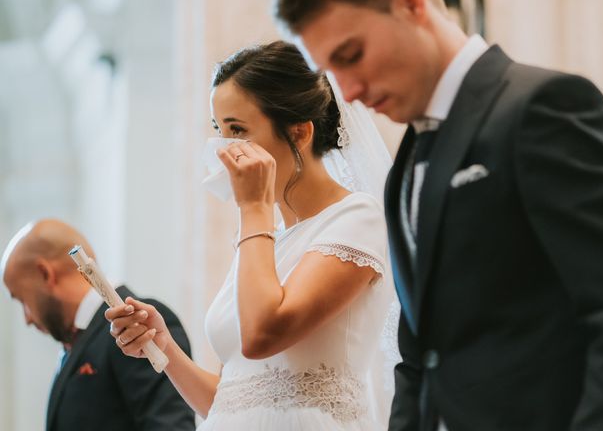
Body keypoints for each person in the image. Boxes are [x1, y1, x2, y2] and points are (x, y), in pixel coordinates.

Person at [275, 0, 603, 430]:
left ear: (411, 2)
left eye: (351, 55)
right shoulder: (407, 161)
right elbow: (418, 352)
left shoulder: (542, 109)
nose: (349, 91)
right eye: (331, 71)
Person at [105, 40, 398, 430]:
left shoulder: (356, 217)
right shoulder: (266, 237)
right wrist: (163, 346)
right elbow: (235, 401)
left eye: (238, 130)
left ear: (299, 134)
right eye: (218, 130)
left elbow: (262, 334)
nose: (223, 151)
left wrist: (253, 209)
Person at [1, 219, 195, 431]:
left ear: (46, 273)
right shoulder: (75, 339)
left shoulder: (138, 325)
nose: (26, 319)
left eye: (22, 300)